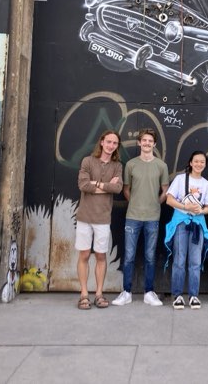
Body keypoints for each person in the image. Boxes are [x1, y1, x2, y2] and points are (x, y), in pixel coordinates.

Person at [112, 128, 169, 307]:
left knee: (150, 256)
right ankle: (126, 292)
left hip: (153, 217)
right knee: (128, 255)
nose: (146, 143)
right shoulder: (131, 164)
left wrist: (155, 203)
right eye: (143, 140)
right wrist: (135, 202)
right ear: (139, 143)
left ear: (154, 144)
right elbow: (126, 189)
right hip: (133, 216)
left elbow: (165, 190)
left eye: (150, 141)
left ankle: (149, 292)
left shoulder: (161, 165)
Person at [75, 130, 123, 310]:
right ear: (102, 142)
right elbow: (83, 185)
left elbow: (117, 188)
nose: (111, 146)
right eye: (109, 142)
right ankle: (84, 294)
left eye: (115, 143)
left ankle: (99, 294)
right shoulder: (88, 161)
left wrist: (96, 184)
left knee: (101, 255)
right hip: (85, 216)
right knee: (84, 255)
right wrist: (105, 186)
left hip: (103, 217)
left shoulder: (117, 166)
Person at [164, 151, 208, 310]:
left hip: (198, 225)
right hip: (181, 223)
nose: (199, 164)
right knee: (179, 260)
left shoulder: (207, 184)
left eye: (202, 162)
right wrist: (185, 206)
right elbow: (169, 200)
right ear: (191, 163)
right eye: (196, 161)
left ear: (205, 165)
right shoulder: (180, 179)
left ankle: (193, 295)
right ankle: (177, 295)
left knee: (195, 261)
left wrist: (201, 211)